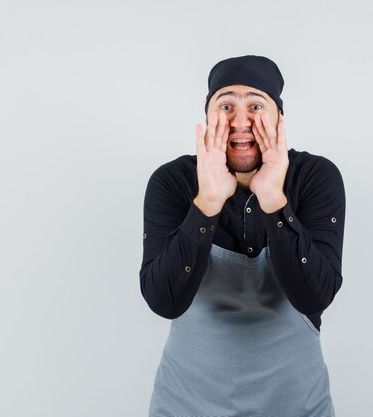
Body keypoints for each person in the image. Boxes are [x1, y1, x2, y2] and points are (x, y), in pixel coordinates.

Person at [139, 55, 346, 416]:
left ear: (279, 119)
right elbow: (163, 301)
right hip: (187, 404)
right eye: (226, 105)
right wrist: (206, 203)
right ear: (208, 118)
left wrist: (273, 199)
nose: (240, 121)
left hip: (296, 403)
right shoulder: (172, 182)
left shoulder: (314, 178)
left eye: (255, 105)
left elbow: (315, 296)